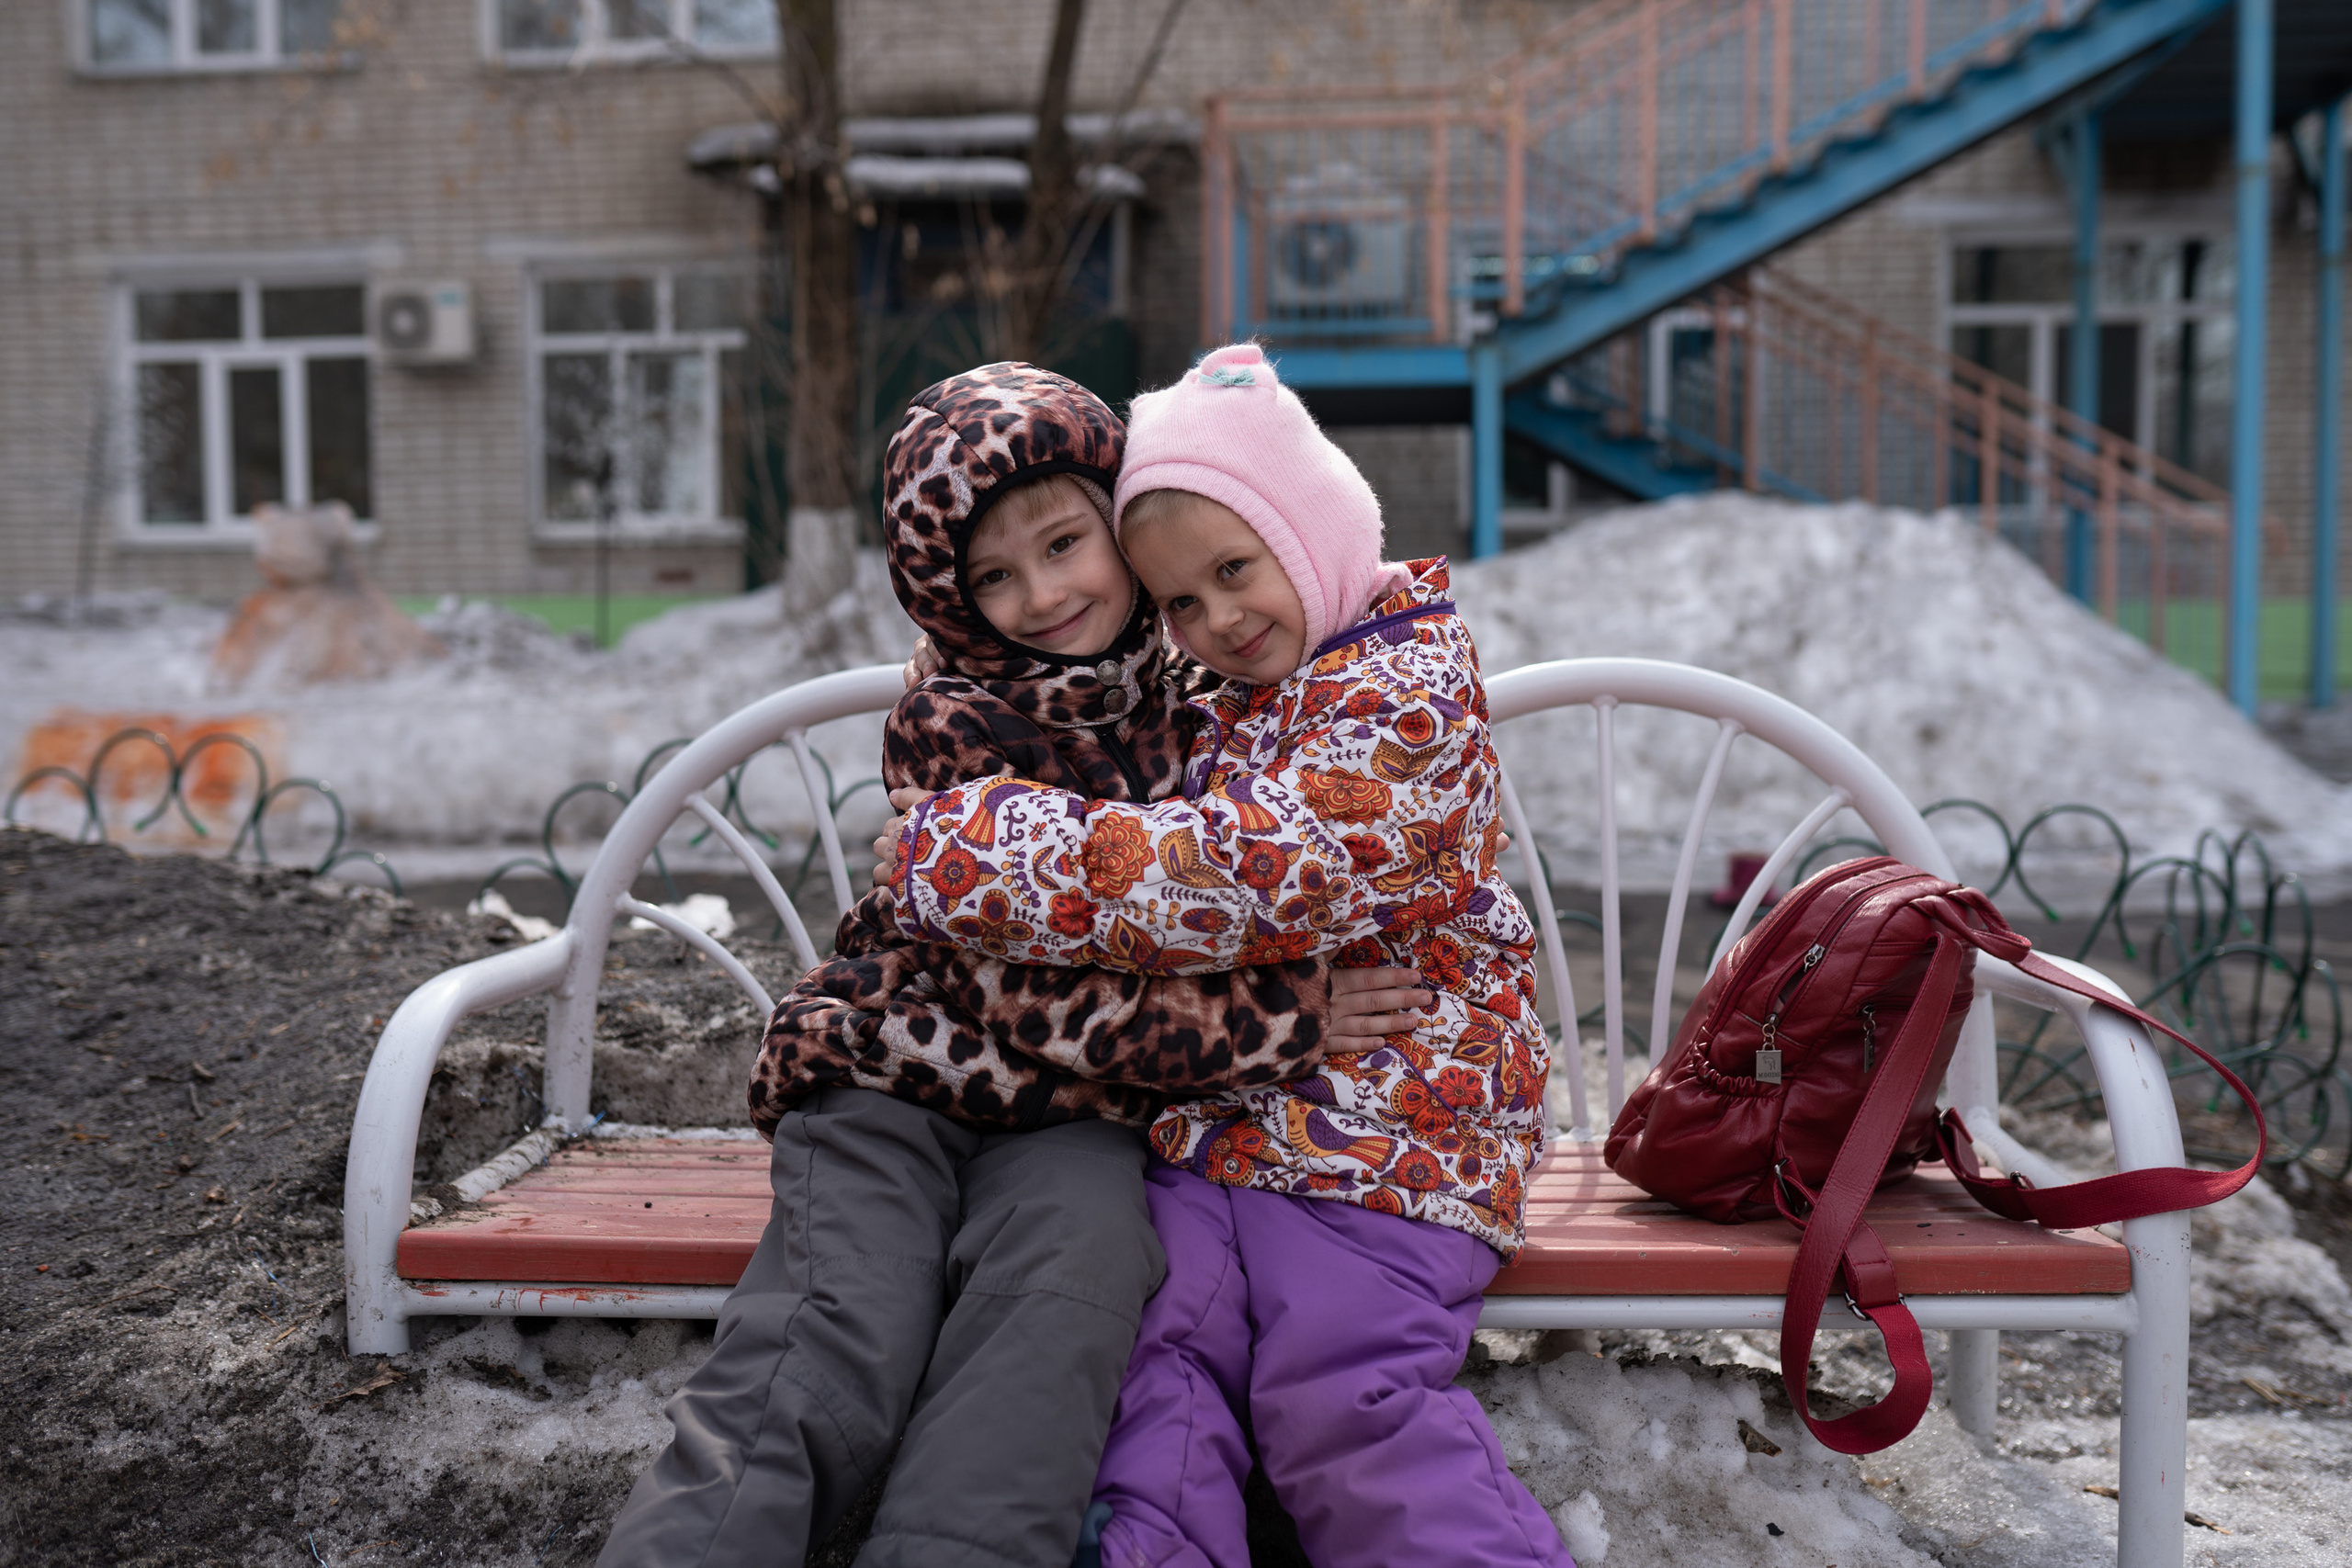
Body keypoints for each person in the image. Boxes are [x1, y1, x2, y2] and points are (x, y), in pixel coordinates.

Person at [595, 363, 1430, 1568]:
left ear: (1123, 530)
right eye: (991, 576)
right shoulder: (954, 721)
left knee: (1067, 1298)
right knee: (841, 1326)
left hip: (1083, 1114)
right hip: (894, 1072)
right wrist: (1274, 1021)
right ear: (947, 597)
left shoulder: (1213, 697)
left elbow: (1310, 833)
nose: (1040, 596)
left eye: (1064, 544)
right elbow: (1019, 990)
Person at [876, 344, 1578, 1568]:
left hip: (1390, 1139)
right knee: (1158, 1360)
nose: (1217, 621)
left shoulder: (1404, 694)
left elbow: (1244, 874)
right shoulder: (1243, 692)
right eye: (1182, 604)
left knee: (1338, 1395)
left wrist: (974, 848)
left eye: (1235, 570)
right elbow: (1092, 722)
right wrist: (964, 675)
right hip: (1222, 1129)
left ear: (1314, 530)